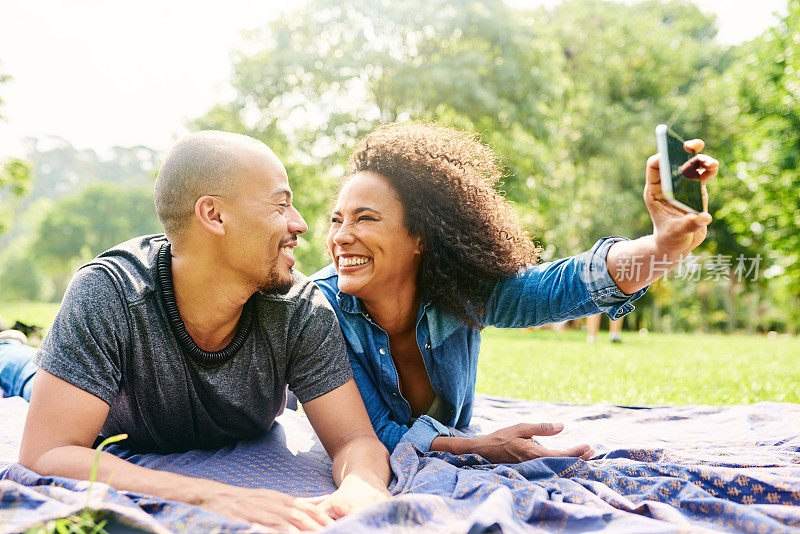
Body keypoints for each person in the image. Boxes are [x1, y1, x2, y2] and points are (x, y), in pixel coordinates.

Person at [0, 131, 391, 531]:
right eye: (281, 205)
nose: (301, 224)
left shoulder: (301, 310)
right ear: (214, 215)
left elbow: (354, 440)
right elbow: (46, 452)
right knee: (28, 374)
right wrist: (206, 494)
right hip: (108, 408)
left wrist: (362, 488)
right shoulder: (111, 292)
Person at [312, 123, 717, 463]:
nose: (341, 237)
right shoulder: (319, 309)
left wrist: (661, 248)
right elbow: (371, 433)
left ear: (420, 236)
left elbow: (559, 287)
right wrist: (480, 447)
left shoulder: (457, 291)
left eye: (365, 219)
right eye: (337, 219)